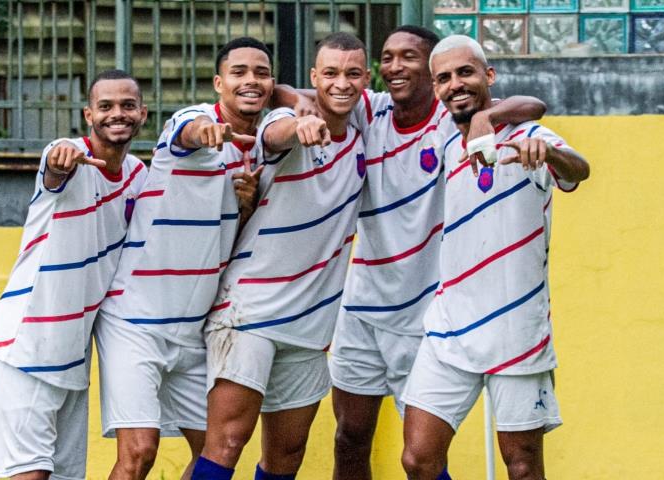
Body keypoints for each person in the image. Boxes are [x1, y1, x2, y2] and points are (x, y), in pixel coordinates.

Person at [332, 26, 547, 480]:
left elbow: (530, 105)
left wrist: (491, 118)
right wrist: (298, 107)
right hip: (362, 304)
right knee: (350, 437)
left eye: (409, 57)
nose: (394, 67)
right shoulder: (369, 112)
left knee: (425, 454)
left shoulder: (449, 122)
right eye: (387, 57)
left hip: (425, 314)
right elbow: (303, 94)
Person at [400, 35, 589, 480]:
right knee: (418, 458)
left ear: (488, 75)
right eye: (443, 78)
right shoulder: (444, 137)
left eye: (465, 72)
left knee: (522, 466)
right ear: (435, 87)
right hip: (450, 326)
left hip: (517, 330)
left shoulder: (527, 135)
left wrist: (550, 154)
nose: (455, 84)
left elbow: (579, 167)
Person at [94, 37, 279, 480]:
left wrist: (247, 206)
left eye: (261, 72)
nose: (250, 80)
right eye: (239, 72)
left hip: (193, 330)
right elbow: (188, 131)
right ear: (219, 82)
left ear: (272, 83)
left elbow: (222, 242)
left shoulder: (258, 151)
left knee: (217, 452)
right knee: (139, 452)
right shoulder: (193, 120)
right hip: (134, 322)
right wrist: (206, 132)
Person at [192, 32, 369, 480]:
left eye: (352, 74)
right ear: (314, 78)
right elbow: (273, 133)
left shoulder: (368, 131)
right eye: (329, 74)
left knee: (288, 454)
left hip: (311, 324)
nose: (341, 84)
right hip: (250, 312)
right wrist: (300, 122)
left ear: (367, 79)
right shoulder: (287, 120)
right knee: (227, 441)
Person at [0, 69, 148, 480]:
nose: (117, 114)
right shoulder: (71, 154)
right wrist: (59, 161)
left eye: (127, 105)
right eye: (105, 106)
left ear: (143, 114)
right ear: (88, 115)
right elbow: (55, 164)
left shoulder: (140, 176)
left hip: (74, 358)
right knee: (28, 474)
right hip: (25, 350)